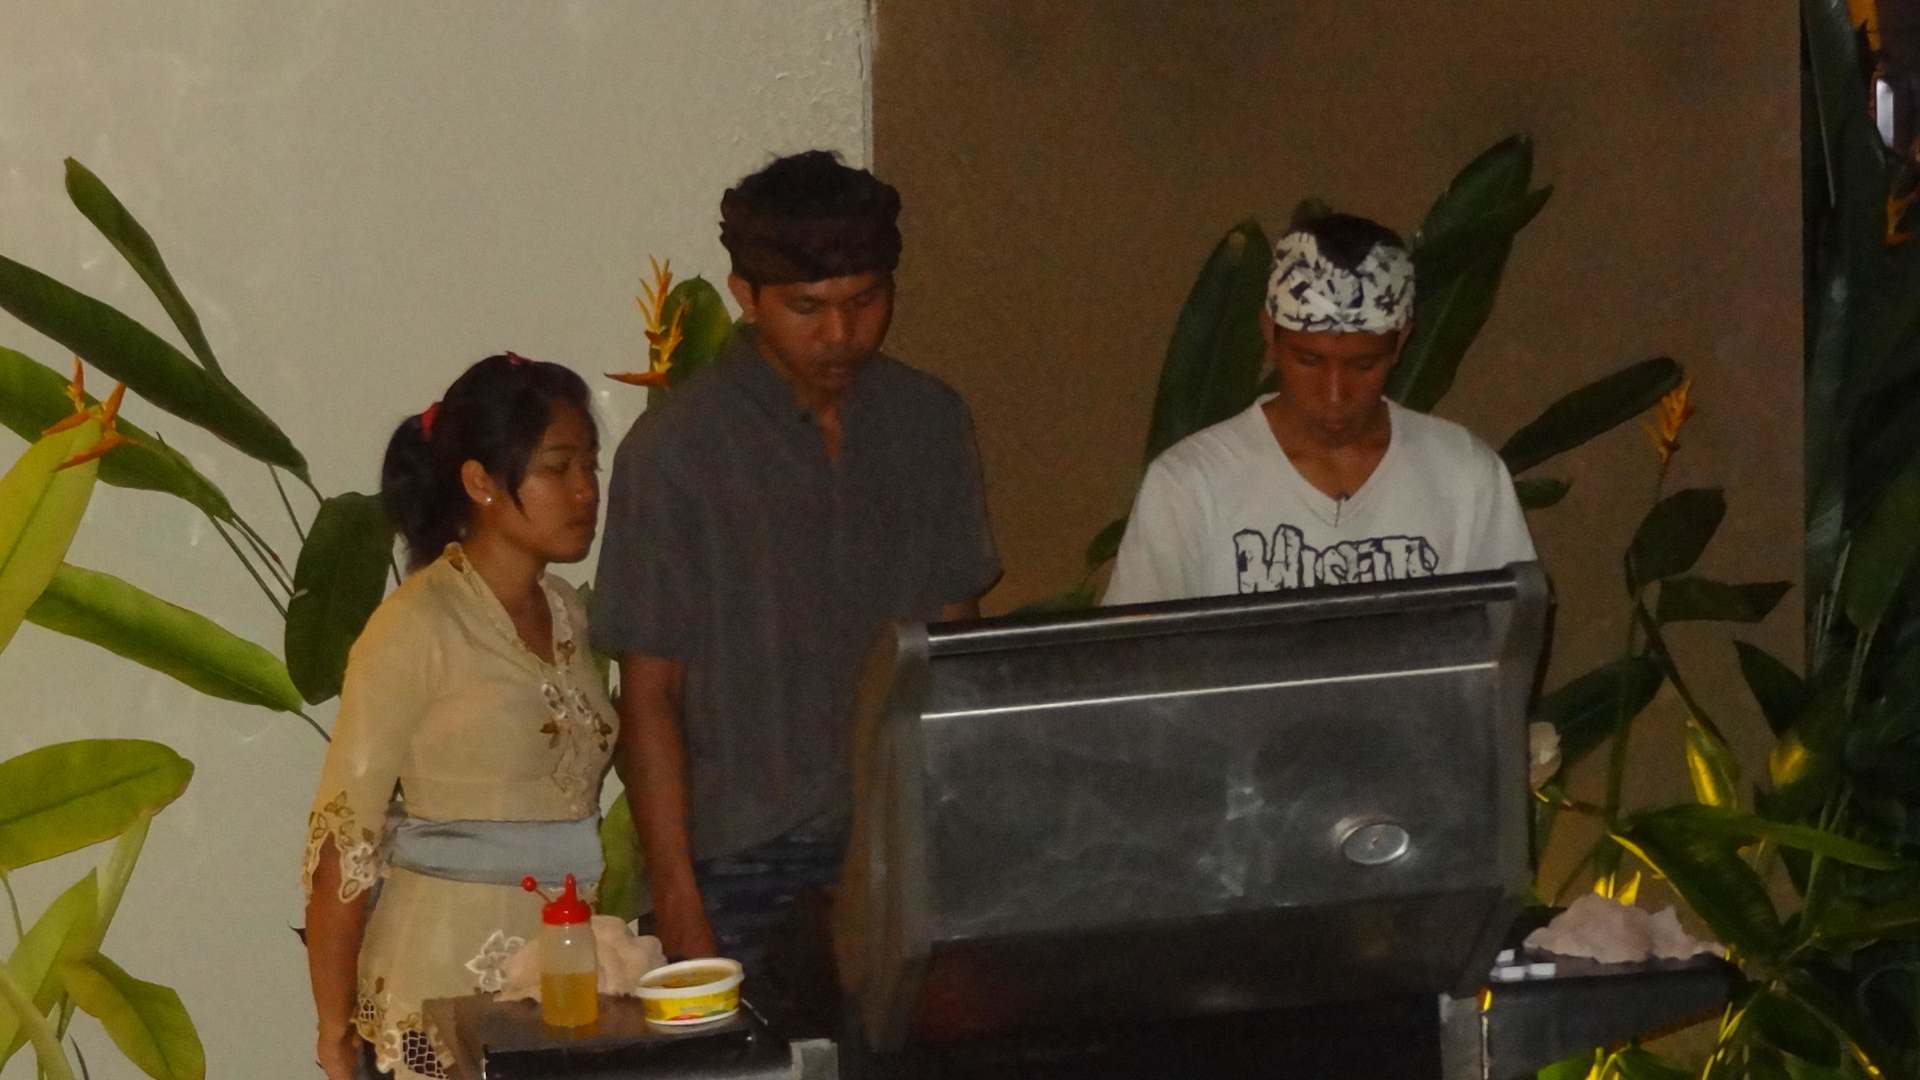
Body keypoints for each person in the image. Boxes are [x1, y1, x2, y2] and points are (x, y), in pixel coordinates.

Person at [591, 150, 1000, 988]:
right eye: (807, 308)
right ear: (745, 295)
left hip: (905, 851)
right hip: (740, 864)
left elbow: (954, 657)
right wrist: (678, 898)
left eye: (865, 301)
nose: (840, 334)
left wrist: (965, 848)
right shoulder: (676, 451)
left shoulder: (928, 421)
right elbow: (650, 696)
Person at [304, 353, 614, 1080]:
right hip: (439, 986)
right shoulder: (415, 625)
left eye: (590, 466)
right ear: (479, 482)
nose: (585, 491)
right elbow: (344, 839)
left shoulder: (568, 614)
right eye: (558, 467)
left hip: (563, 980)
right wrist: (333, 1031)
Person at [1104, 213, 1535, 605]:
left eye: (1363, 365)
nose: (1334, 394)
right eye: (1309, 361)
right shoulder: (1190, 484)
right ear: (1270, 333)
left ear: (1400, 343)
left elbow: (1506, 637)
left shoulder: (1463, 474)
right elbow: (1138, 652)